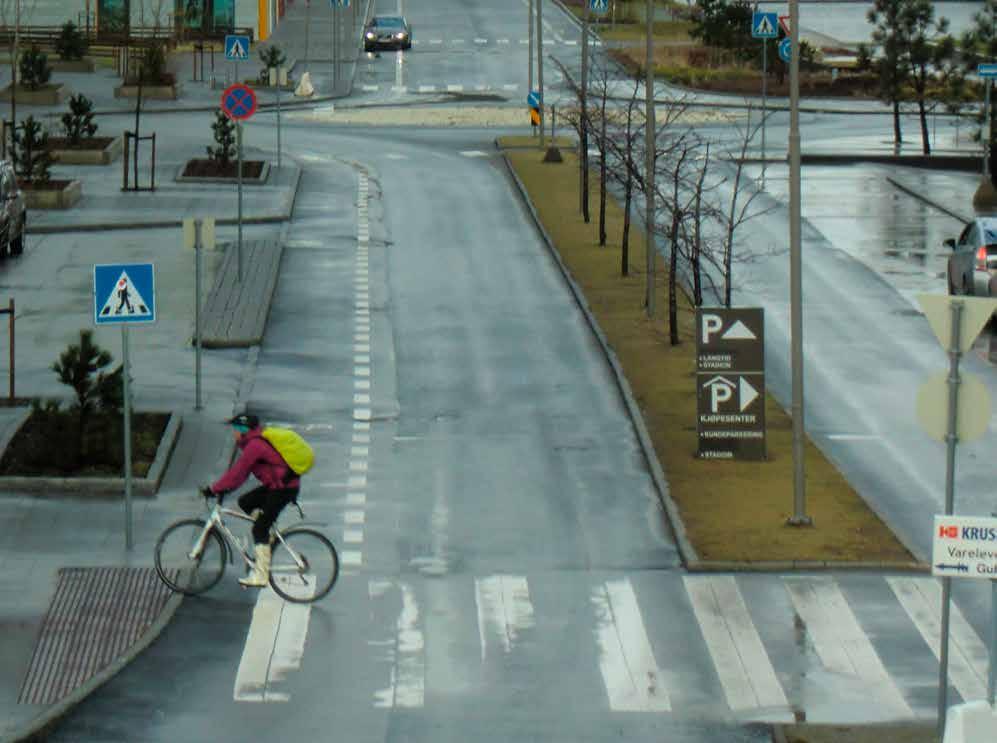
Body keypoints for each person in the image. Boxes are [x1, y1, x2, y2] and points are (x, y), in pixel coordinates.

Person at [202, 413, 300, 588]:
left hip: (283, 489)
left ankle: (261, 576)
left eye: (235, 430)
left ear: (242, 430)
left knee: (259, 529)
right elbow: (241, 476)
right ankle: (266, 539)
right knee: (246, 502)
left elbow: (238, 472)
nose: (233, 434)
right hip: (277, 486)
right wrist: (226, 487)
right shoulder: (254, 441)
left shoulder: (254, 446)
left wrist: (214, 489)